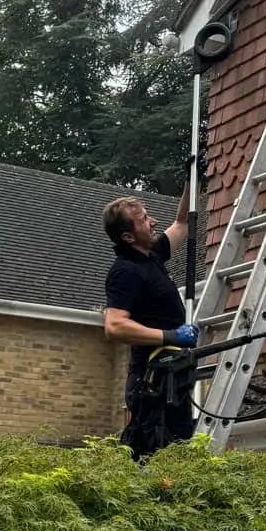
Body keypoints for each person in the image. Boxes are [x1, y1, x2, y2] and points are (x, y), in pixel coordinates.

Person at [102, 184, 198, 454]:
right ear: (128, 237)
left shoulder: (152, 256)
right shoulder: (126, 271)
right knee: (153, 452)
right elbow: (115, 325)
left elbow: (182, 222)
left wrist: (193, 179)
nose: (153, 221)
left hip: (171, 374)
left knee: (178, 450)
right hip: (151, 380)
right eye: (144, 219)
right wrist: (169, 336)